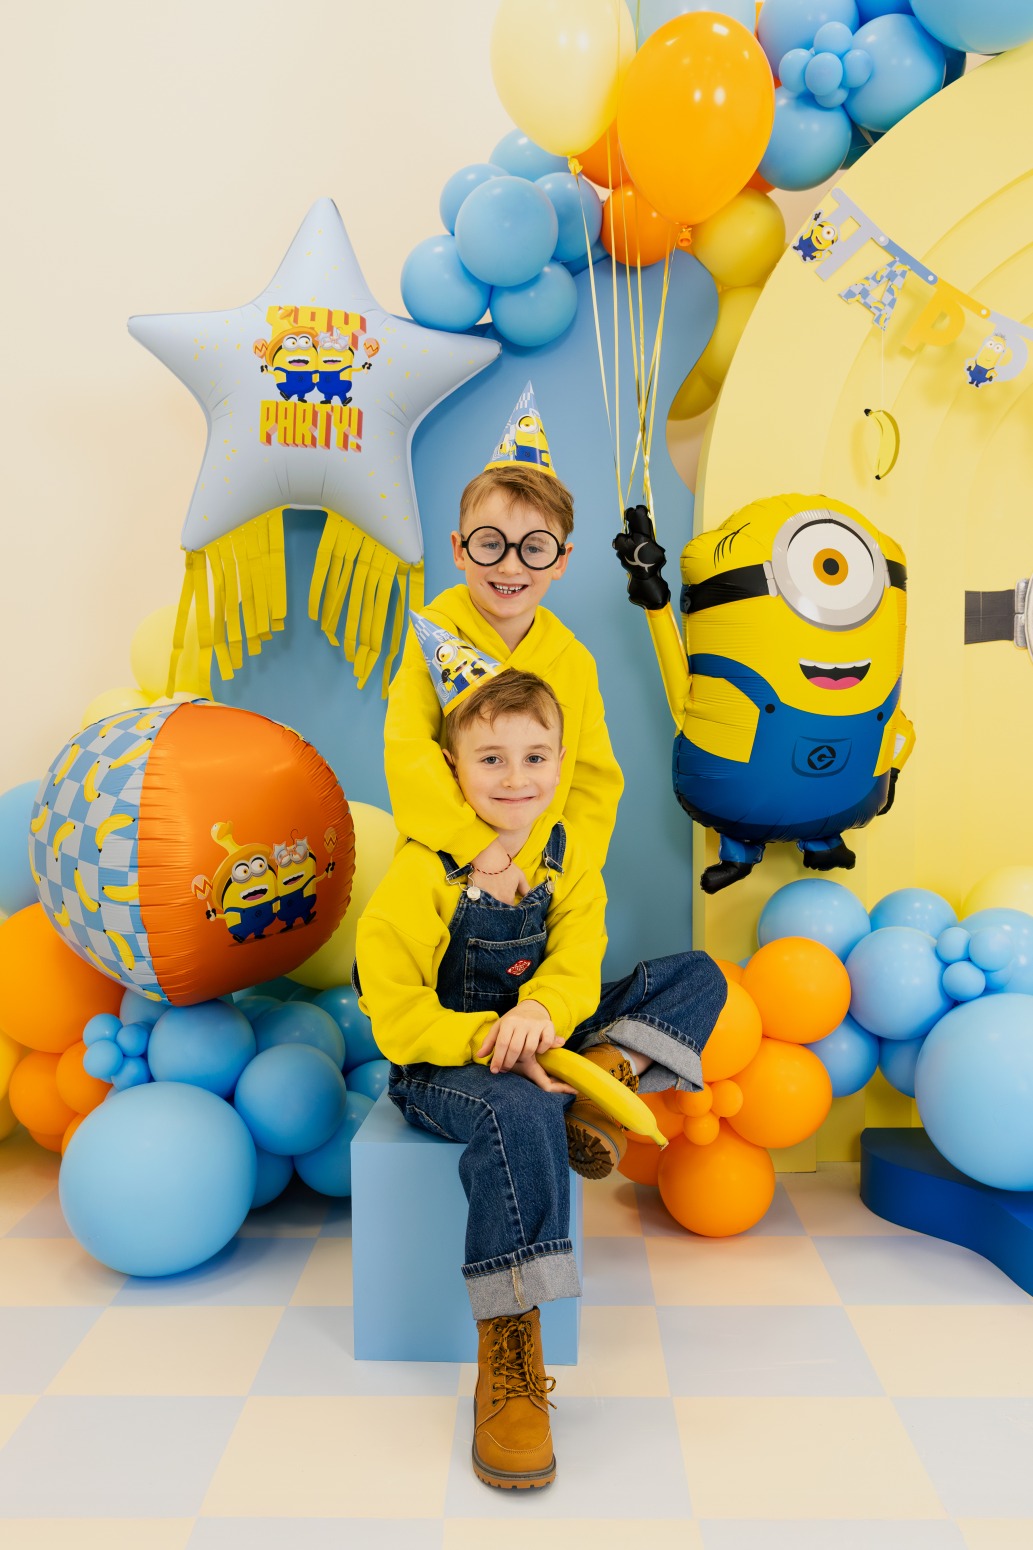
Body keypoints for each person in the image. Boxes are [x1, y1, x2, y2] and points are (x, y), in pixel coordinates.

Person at [356, 663, 726, 1492]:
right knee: (517, 1109)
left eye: (534, 757)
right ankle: (509, 1344)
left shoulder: (566, 862)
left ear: (560, 762)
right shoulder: (423, 873)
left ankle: (593, 1084)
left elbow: (577, 964)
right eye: (490, 759)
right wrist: (491, 1035)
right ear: (453, 769)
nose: (514, 778)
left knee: (698, 975)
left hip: (545, 1037)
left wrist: (544, 1016)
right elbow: (394, 1013)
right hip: (447, 1062)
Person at [383, 381, 624, 904]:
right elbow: (409, 753)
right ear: (460, 549)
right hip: (446, 869)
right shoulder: (434, 634)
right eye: (491, 543)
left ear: (560, 560)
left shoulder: (575, 662)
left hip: (542, 880)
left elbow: (593, 782)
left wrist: (564, 877)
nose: (511, 566)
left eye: (534, 548)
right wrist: (479, 849)